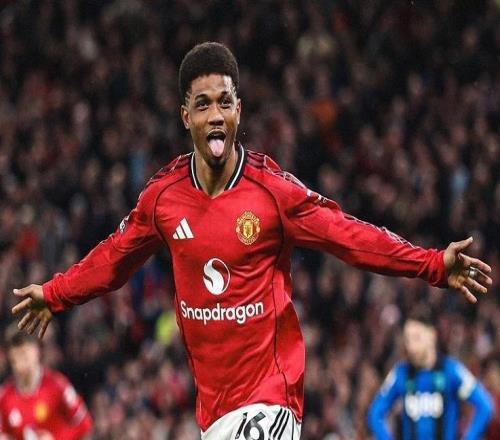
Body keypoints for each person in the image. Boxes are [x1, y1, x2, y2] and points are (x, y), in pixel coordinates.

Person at [10, 42, 492, 439]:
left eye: (225, 102)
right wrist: (55, 293)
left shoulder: (273, 193)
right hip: (214, 411)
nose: (216, 114)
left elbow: (349, 235)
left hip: (271, 398)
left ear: (239, 109)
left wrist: (432, 264)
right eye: (203, 104)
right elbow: (114, 258)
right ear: (185, 116)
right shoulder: (163, 198)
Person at [367, 308, 493, 440]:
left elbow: (485, 406)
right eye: (408, 339)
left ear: (432, 335)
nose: (411, 346)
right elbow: (375, 414)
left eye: (416, 338)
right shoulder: (401, 373)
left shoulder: (451, 370)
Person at [0, 326, 92, 440]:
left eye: (25, 354)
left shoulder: (56, 385)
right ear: (11, 359)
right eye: (17, 356)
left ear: (37, 351)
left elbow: (84, 423)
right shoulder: (4, 397)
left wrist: (56, 438)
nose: (22, 362)